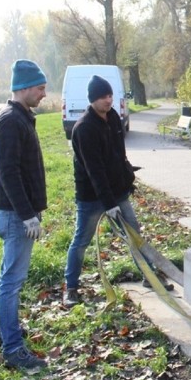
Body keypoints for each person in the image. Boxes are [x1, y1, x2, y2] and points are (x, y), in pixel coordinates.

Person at [62, 75, 171, 308]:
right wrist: (108, 203)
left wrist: (127, 176)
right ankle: (70, 287)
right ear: (92, 99)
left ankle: (149, 276)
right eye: (103, 97)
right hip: (92, 196)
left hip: (117, 192)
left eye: (110, 95)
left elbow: (118, 155)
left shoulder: (113, 118)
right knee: (81, 240)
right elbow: (95, 171)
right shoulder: (83, 128)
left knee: (135, 235)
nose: (108, 100)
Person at [0, 59, 49, 370]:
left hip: (20, 215)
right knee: (11, 282)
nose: (44, 93)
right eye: (40, 88)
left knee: (10, 279)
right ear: (24, 88)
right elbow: (9, 173)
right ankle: (13, 349)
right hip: (15, 217)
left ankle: (9, 329)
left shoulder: (21, 117)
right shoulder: (10, 121)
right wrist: (28, 216)